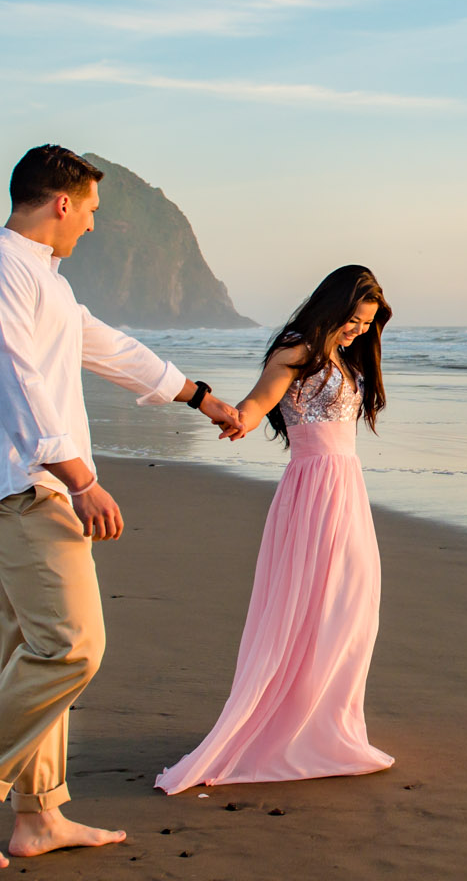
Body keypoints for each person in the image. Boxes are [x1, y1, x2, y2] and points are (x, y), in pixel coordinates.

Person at [0, 145, 239, 874]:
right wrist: (82, 478)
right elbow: (15, 386)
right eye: (90, 209)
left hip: (39, 484)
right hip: (19, 485)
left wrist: (197, 395)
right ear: (62, 201)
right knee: (71, 647)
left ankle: (39, 814)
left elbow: (109, 347)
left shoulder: (41, 279)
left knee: (34, 647)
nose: (92, 225)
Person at [156, 265, 396, 793]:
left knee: (352, 609)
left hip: (346, 490)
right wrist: (233, 415)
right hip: (313, 493)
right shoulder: (296, 350)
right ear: (332, 307)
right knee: (314, 608)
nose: (359, 330)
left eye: (367, 324)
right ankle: (299, 731)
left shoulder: (344, 356)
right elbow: (260, 400)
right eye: (354, 319)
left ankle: (328, 723)